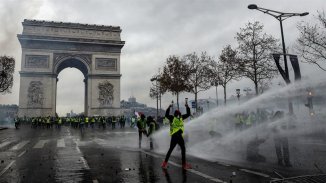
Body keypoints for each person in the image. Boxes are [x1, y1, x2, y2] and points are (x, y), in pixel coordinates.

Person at [161, 103, 192, 170]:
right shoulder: (180, 117)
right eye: (179, 114)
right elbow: (188, 114)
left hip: (174, 136)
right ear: (179, 114)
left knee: (170, 150)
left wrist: (169, 107)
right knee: (183, 149)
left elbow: (166, 115)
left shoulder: (172, 118)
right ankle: (184, 164)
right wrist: (187, 107)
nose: (179, 115)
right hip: (178, 136)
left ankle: (164, 163)